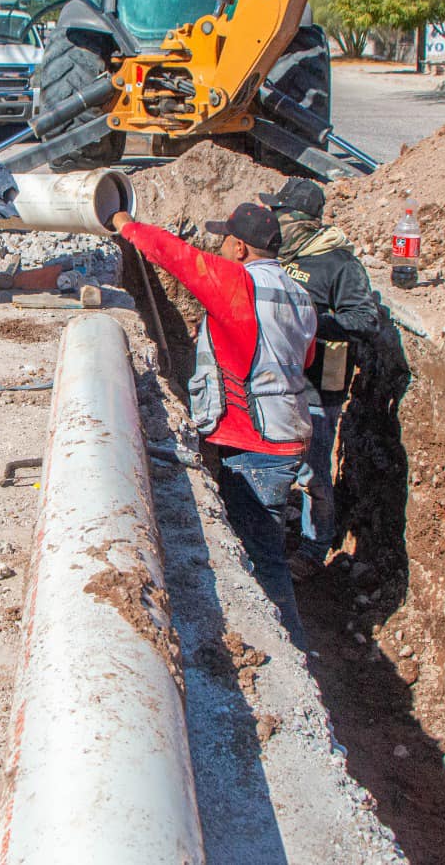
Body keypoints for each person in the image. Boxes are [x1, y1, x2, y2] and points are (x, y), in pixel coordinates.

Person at [113, 202, 318, 646]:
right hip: (287, 435)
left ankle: (290, 650)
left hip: (256, 444)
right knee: (264, 546)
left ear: (240, 247)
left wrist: (126, 226)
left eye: (226, 239)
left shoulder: (239, 282)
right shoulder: (297, 292)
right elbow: (306, 359)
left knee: (261, 558)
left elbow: (179, 258)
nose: (220, 246)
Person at [258, 178, 380, 580]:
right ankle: (264, 538)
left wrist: (312, 321)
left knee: (312, 473)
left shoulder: (339, 264)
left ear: (299, 220)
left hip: (317, 386)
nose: (274, 220)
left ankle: (313, 548)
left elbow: (364, 320)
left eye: (279, 213)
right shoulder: (279, 253)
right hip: (275, 377)